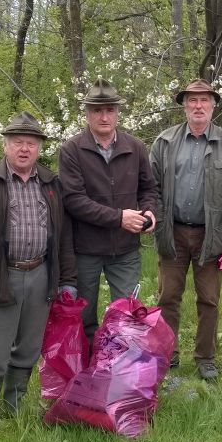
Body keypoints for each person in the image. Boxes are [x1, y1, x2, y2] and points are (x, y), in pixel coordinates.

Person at [0, 112, 77, 433]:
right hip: (0, 278)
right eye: (18, 143)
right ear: (5, 146)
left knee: (28, 349)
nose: (24, 149)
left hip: (40, 276)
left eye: (31, 143)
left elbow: (63, 237)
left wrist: (67, 280)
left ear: (39, 149)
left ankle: (14, 406)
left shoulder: (52, 184)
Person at [150, 78, 222, 380]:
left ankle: (206, 357)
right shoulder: (164, 142)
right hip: (172, 233)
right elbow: (150, 188)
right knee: (168, 297)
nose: (198, 105)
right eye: (192, 100)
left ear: (213, 105)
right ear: (183, 106)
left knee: (209, 299)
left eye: (204, 100)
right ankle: (167, 354)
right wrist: (154, 220)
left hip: (212, 235)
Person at [59, 78, 158, 341]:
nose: (104, 116)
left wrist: (148, 212)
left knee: (126, 314)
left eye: (110, 110)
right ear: (87, 114)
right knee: (84, 315)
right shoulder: (71, 150)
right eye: (97, 110)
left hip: (125, 250)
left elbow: (148, 188)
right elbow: (74, 200)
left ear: (117, 113)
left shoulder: (135, 147)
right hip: (86, 249)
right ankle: (87, 372)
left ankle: (120, 372)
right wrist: (118, 218)